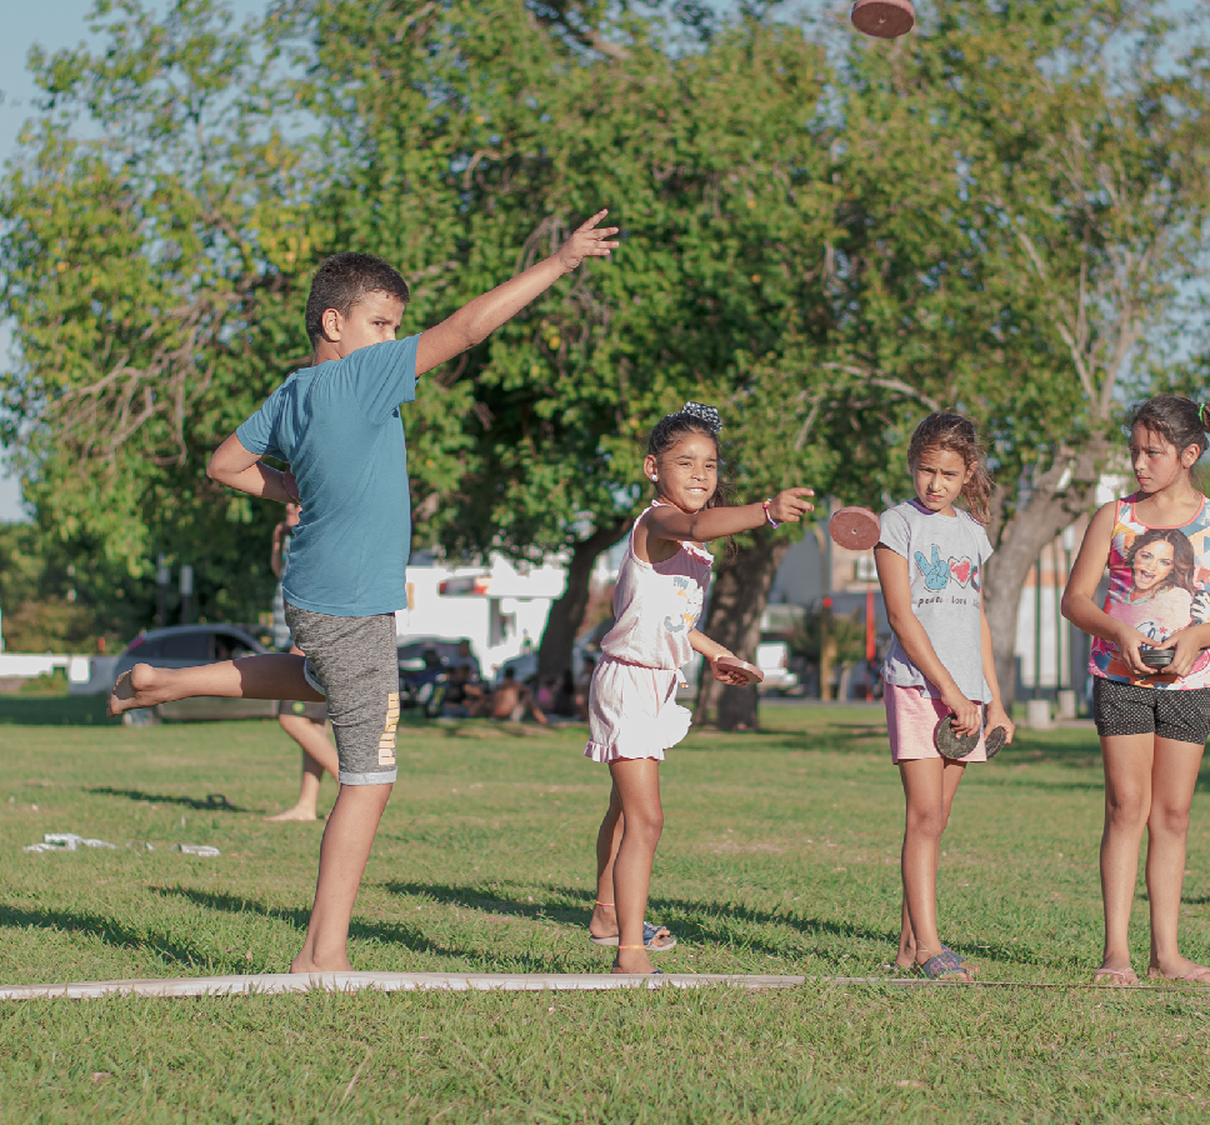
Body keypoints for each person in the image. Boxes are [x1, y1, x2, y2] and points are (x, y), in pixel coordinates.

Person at [108, 210, 619, 972]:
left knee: (316, 677)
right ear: (334, 322)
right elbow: (469, 329)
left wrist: (291, 485)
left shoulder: (293, 391)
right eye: (381, 323)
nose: (393, 339)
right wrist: (561, 262)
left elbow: (222, 463)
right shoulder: (364, 371)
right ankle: (324, 953)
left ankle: (169, 682)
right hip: (350, 602)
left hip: (312, 591)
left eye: (396, 327)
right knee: (369, 780)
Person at [585, 402, 815, 974]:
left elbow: (671, 620)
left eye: (710, 465)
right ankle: (629, 953)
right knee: (647, 819)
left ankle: (608, 913)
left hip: (659, 683)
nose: (699, 475)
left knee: (623, 808)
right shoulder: (662, 523)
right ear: (651, 468)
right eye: (684, 462)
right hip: (629, 682)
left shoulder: (691, 551)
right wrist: (766, 511)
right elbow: (693, 522)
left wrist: (715, 653)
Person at [1060, 394, 1210, 986]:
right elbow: (1075, 600)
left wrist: (1200, 636)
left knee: (1172, 816)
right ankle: (1117, 954)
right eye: (1135, 452)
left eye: (1153, 453)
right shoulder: (1112, 517)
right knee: (1127, 808)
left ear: (1189, 453)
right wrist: (1116, 631)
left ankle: (1166, 955)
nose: (1139, 464)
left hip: (1190, 686)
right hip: (1118, 680)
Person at [874, 412, 1015, 982]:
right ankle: (932, 947)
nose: (935, 484)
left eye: (948, 473)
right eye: (926, 470)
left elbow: (977, 619)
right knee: (923, 815)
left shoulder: (973, 534)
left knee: (940, 818)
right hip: (916, 686)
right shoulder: (896, 524)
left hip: (968, 698)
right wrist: (950, 692)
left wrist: (993, 700)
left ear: (968, 473)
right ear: (912, 464)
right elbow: (903, 618)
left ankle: (910, 948)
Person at [266, 502, 340, 823]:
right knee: (313, 726)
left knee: (290, 719)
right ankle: (306, 806)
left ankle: (354, 786)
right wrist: (277, 542)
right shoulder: (292, 539)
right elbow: (277, 573)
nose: (287, 505)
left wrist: (302, 645)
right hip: (290, 638)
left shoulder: (314, 538)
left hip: (304, 642)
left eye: (295, 502)